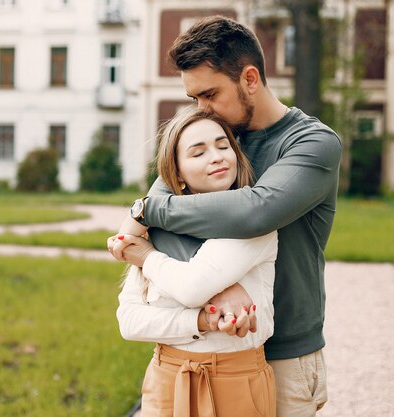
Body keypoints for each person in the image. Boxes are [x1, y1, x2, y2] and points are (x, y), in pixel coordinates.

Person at [110, 16, 342, 417]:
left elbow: (255, 212)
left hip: (284, 349)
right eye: (194, 99)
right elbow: (149, 228)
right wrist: (218, 290)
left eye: (210, 94)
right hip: (206, 343)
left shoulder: (313, 144)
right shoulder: (216, 138)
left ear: (250, 78)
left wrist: (145, 208)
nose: (202, 109)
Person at [114, 107, 278, 416]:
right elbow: (130, 321)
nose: (216, 157)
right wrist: (200, 322)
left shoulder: (254, 222)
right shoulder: (157, 229)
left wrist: (147, 256)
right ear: (176, 173)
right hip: (166, 376)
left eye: (222, 145)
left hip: (236, 380)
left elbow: (192, 287)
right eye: (198, 152)